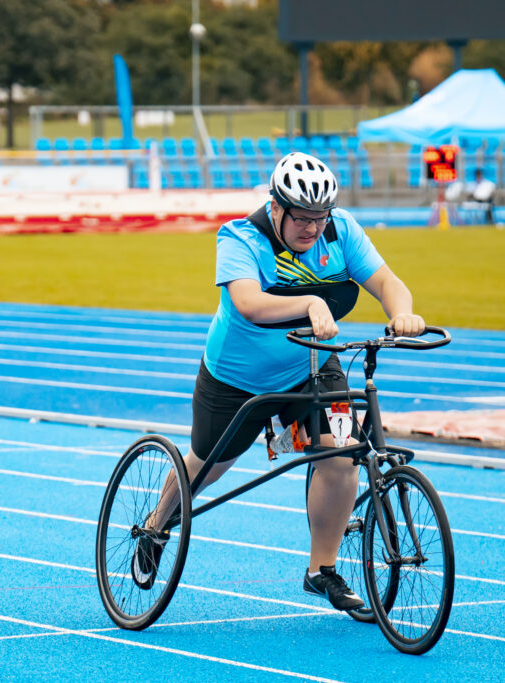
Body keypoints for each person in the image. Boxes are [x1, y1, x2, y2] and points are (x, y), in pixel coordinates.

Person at [135, 152, 425, 611]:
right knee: (208, 464)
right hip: (235, 378)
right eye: (301, 218)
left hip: (307, 368)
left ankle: (321, 570)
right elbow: (248, 303)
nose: (312, 227)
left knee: (341, 454)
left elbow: (387, 281)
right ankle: (157, 523)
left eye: (319, 217)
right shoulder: (240, 237)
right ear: (276, 208)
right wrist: (309, 302)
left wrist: (403, 313)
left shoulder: (342, 229)